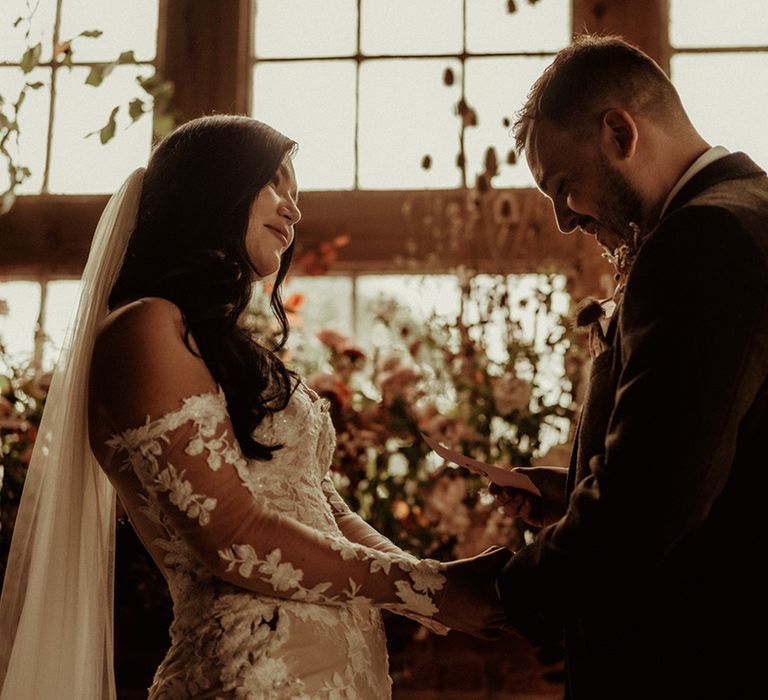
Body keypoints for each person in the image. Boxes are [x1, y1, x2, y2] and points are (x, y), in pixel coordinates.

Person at [0, 115, 511, 699]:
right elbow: (231, 532)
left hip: (344, 675)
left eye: (296, 195)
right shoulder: (142, 329)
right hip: (251, 675)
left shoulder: (234, 354)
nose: (293, 210)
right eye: (273, 183)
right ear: (211, 188)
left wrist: (444, 588)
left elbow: (321, 507)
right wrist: (428, 587)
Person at [491, 35, 768, 699]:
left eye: (564, 186)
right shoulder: (750, 212)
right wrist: (581, 483)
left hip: (697, 658)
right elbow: (713, 446)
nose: (562, 219)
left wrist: (503, 594)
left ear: (620, 131)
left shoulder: (701, 242)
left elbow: (653, 505)